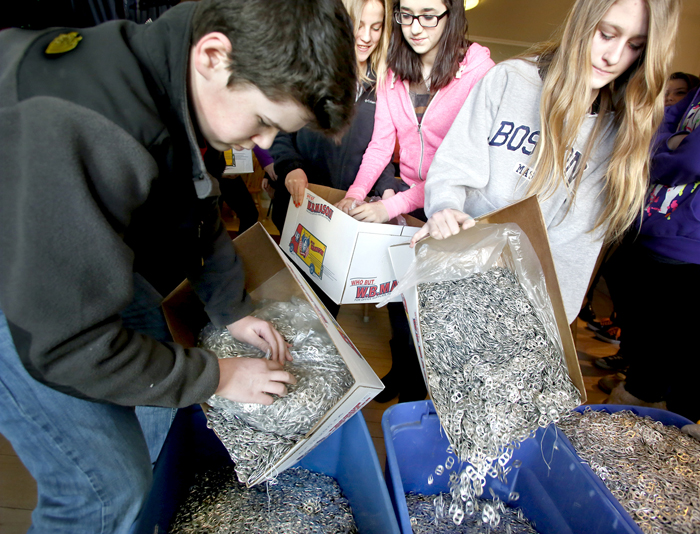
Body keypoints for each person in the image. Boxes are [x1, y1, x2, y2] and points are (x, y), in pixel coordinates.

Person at [0, 0, 356, 532]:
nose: (262, 144)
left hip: (62, 253)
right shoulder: (86, 127)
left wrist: (233, 310)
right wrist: (219, 375)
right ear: (215, 56)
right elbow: (68, 346)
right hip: (21, 290)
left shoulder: (178, 81)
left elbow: (198, 205)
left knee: (153, 356)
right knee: (104, 488)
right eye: (262, 122)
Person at [412, 0, 681, 327]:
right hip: (449, 267)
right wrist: (444, 206)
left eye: (634, 46)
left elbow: (573, 251)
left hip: (517, 307)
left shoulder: (615, 133)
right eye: (606, 34)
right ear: (582, 23)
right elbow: (454, 167)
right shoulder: (510, 79)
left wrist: (547, 326)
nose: (613, 57)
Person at [336, 0, 494, 223]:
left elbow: (464, 168)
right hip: (407, 196)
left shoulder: (479, 74)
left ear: (451, 16)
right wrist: (355, 193)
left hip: (455, 206)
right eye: (407, 16)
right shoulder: (391, 75)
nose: (415, 29)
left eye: (428, 17)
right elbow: (380, 147)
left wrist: (390, 206)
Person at [606, 84, 700, 422]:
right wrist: (669, 144)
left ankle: (648, 402)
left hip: (688, 243)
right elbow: (653, 133)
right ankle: (642, 387)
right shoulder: (695, 94)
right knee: (644, 310)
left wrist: (671, 149)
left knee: (673, 337)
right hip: (652, 226)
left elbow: (692, 159)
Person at [269, 0, 398, 236]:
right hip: (300, 206)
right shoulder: (307, 70)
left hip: (347, 211)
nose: (366, 37)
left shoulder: (383, 84)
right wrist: (291, 168)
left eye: (376, 27)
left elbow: (380, 150)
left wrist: (388, 188)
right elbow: (280, 130)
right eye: (358, 25)